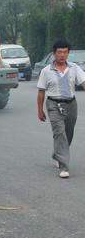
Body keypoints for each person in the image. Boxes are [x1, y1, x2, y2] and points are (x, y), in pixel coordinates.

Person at [37, 39, 85, 179]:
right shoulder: (46, 71)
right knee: (59, 133)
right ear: (54, 53)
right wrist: (40, 110)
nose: (62, 55)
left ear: (68, 53)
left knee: (68, 133)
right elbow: (41, 91)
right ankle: (64, 165)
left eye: (65, 52)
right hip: (53, 104)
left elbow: (83, 83)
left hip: (71, 104)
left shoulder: (74, 68)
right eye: (59, 52)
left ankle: (57, 154)